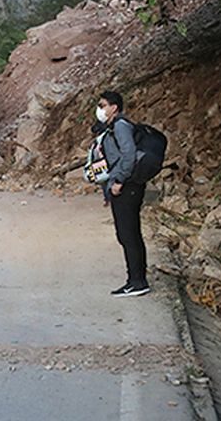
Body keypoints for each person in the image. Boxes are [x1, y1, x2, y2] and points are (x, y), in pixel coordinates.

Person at [97, 91, 150, 297]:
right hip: (127, 186)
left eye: (102, 105)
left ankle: (136, 281)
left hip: (127, 187)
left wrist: (118, 181)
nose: (99, 109)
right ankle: (138, 279)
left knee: (127, 234)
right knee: (130, 234)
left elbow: (128, 155)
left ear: (114, 107)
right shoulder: (115, 127)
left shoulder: (120, 126)